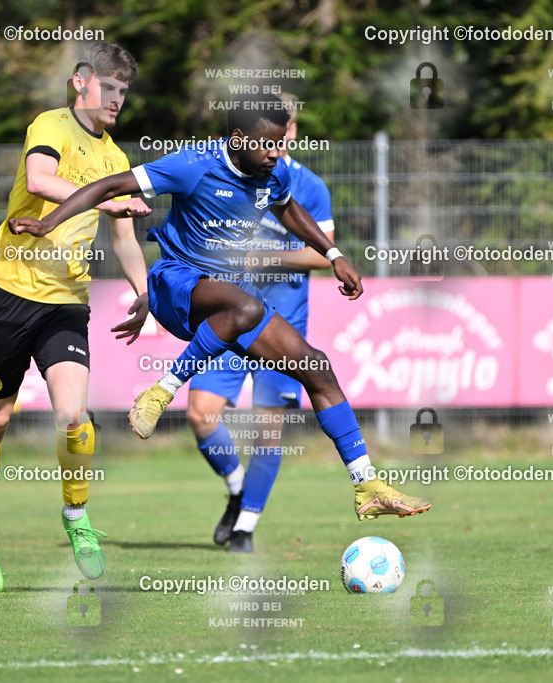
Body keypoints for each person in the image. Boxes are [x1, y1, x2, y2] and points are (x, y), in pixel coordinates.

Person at [10, 92, 430, 533]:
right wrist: (48, 222)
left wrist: (333, 254)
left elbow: (288, 208)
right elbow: (110, 186)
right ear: (237, 137)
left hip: (232, 301)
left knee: (316, 368)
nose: (276, 152)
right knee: (244, 306)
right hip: (177, 284)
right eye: (267, 143)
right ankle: (161, 390)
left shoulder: (274, 172)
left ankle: (367, 487)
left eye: (281, 141)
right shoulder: (193, 164)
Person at [0, 42, 151, 593]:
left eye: (124, 91)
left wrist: (143, 292)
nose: (117, 99)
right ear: (80, 82)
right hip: (5, 293)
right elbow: (42, 179)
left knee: (74, 416)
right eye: (109, 87)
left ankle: (76, 519)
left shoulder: (117, 161)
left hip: (65, 304)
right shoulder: (50, 125)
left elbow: (125, 238)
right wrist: (105, 200)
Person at [186, 94, 336, 553]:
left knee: (268, 431)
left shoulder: (307, 185)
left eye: (283, 126)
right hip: (232, 316)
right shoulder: (227, 172)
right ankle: (236, 489)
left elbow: (322, 253)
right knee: (199, 413)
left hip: (284, 321)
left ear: (291, 129)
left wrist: (265, 256)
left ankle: (246, 529)